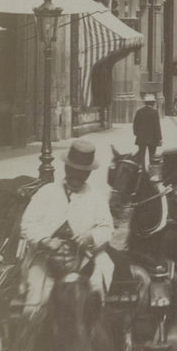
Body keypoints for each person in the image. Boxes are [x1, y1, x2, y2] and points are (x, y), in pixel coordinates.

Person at [19, 137, 115, 309]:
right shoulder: (46, 193)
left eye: (83, 173)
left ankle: (95, 323)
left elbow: (107, 228)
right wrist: (44, 240)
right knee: (36, 297)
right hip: (46, 257)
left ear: (88, 174)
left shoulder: (96, 197)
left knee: (97, 283)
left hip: (84, 256)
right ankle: (31, 330)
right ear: (66, 168)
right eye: (74, 171)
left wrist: (90, 237)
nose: (78, 176)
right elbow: (28, 223)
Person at [133, 92, 162, 170]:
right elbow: (157, 127)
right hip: (152, 138)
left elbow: (135, 125)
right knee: (152, 156)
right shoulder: (154, 112)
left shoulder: (139, 111)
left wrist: (137, 134)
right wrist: (159, 138)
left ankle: (142, 171)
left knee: (141, 156)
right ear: (153, 103)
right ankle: (151, 171)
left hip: (141, 138)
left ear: (145, 102)